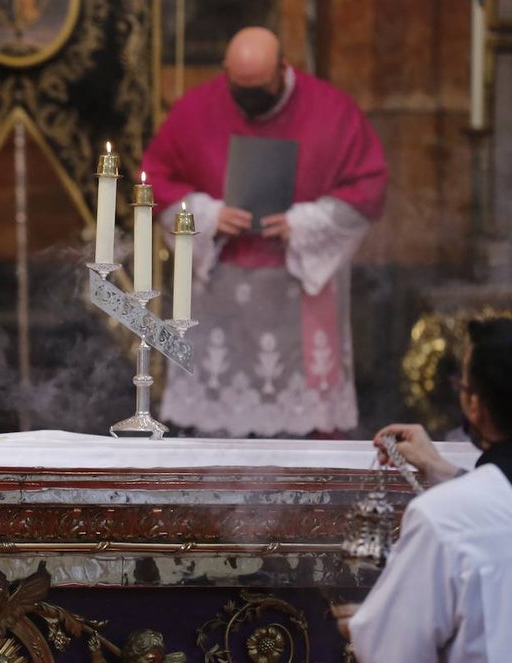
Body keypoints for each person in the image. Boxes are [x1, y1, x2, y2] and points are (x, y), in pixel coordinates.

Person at [141, 26, 388, 437]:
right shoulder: (196, 109)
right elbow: (156, 179)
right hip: (222, 295)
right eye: (240, 88)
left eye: (261, 88)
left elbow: (368, 186)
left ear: (282, 68)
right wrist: (206, 215)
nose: (250, 100)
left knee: (305, 427)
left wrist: (304, 222)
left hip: (301, 295)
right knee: (219, 432)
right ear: (226, 73)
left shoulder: (333, 110)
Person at [334, 318, 512, 662]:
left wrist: (368, 628)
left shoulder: (444, 518)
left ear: (476, 405)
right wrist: (442, 470)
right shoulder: (461, 510)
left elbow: (394, 651)